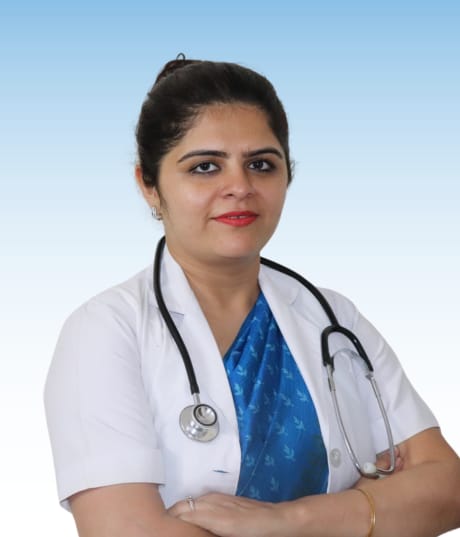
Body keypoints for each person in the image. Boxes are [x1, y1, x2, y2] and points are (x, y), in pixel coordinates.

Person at [44, 56, 460, 537]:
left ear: (288, 175)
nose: (239, 187)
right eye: (205, 167)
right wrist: (368, 511)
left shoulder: (333, 318)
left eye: (261, 165)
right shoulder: (105, 331)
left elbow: (448, 488)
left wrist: (286, 520)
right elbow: (126, 530)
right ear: (149, 186)